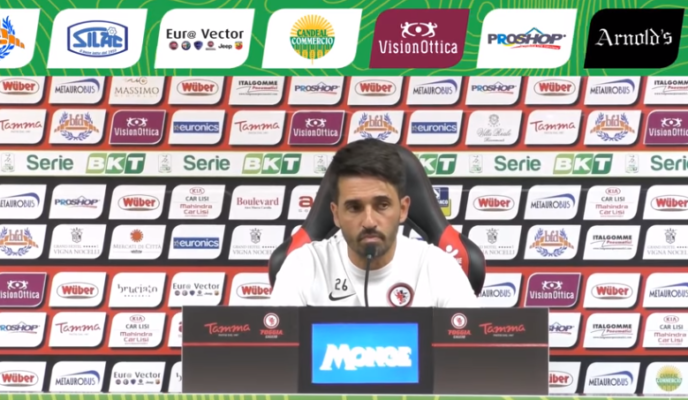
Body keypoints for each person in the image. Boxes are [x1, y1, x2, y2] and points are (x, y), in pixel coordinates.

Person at [269, 139, 480, 308]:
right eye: (354, 207)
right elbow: (278, 347)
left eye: (382, 205)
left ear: (403, 209)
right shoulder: (304, 266)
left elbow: (468, 347)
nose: (369, 222)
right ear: (336, 214)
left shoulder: (439, 267)